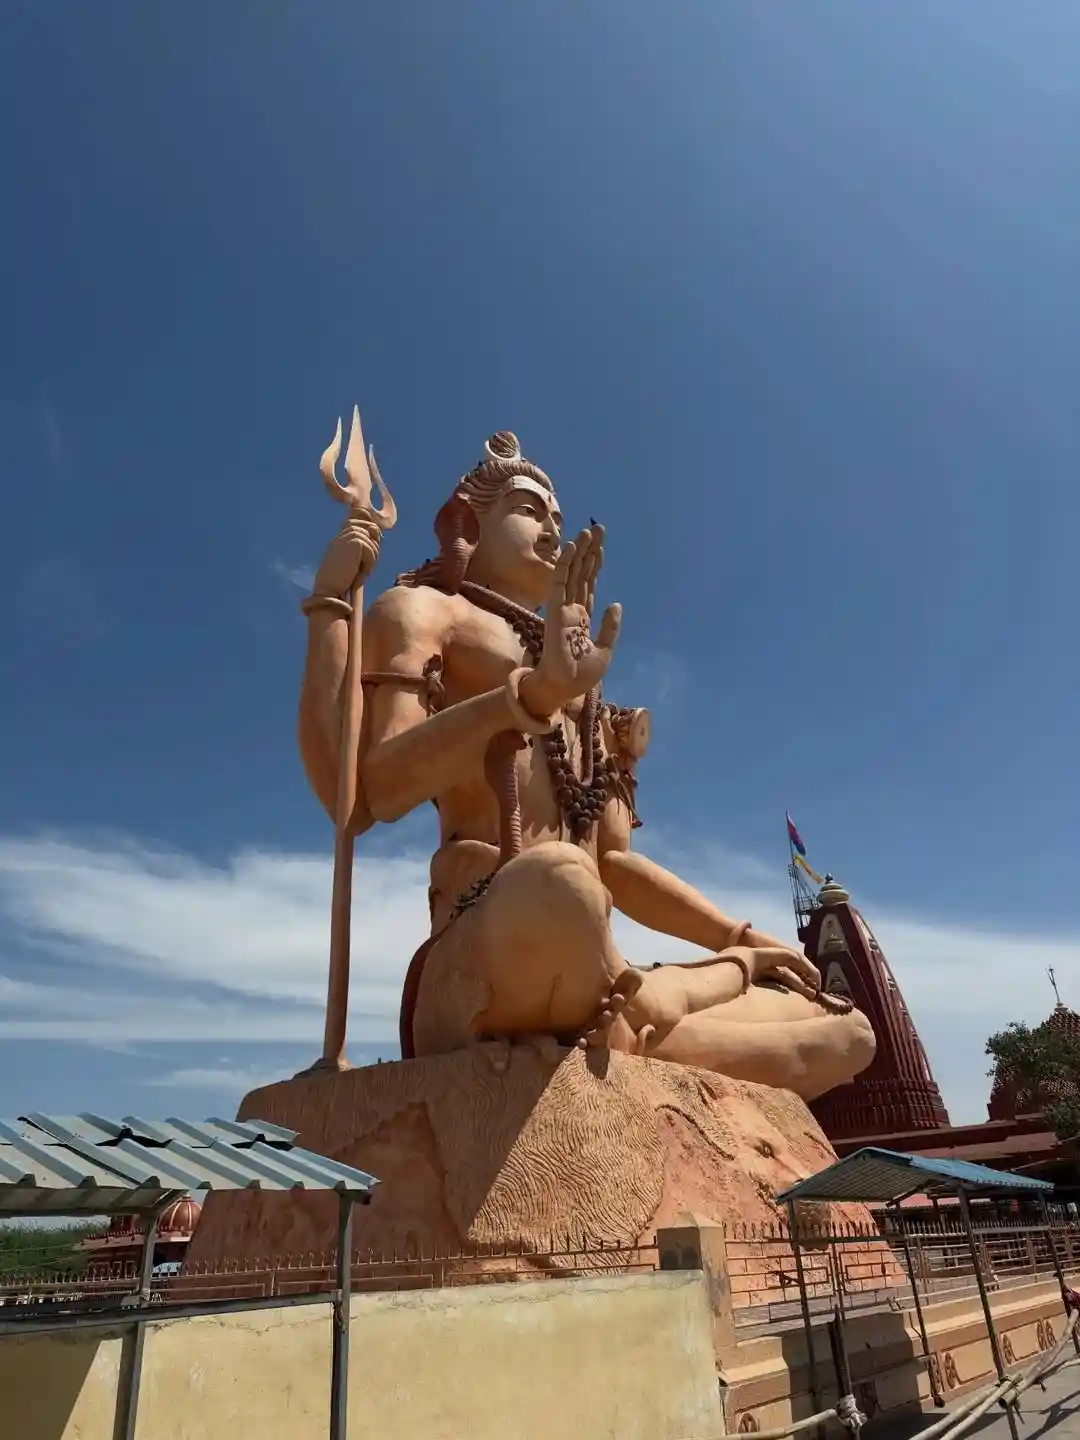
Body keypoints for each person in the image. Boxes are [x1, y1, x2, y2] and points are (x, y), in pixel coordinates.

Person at [297, 431, 875, 1100]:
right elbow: (378, 791)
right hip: (491, 946)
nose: (550, 529)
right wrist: (525, 697)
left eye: (558, 519)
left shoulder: (582, 681)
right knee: (561, 880)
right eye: (529, 510)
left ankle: (638, 1017)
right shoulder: (426, 615)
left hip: (588, 959)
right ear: (465, 523)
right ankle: (646, 1010)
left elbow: (615, 867)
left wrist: (741, 939)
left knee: (848, 1030)